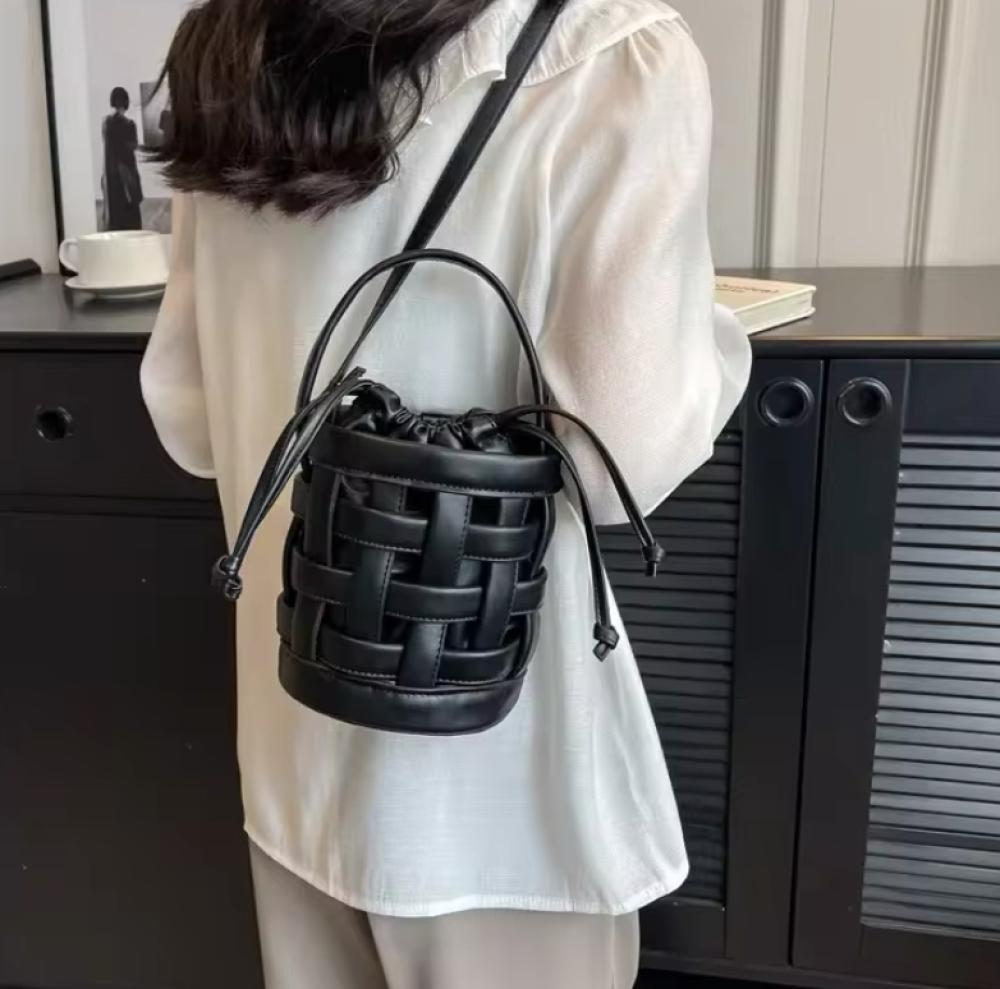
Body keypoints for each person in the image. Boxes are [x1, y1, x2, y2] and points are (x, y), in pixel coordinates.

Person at [140, 2, 752, 987]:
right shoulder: (612, 55)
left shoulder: (232, 41)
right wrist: (716, 342)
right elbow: (617, 465)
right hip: (502, 795)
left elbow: (189, 417)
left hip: (298, 740)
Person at [102, 86, 143, 230]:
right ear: (126, 102)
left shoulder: (107, 123)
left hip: (112, 173)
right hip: (127, 171)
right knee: (131, 210)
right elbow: (132, 146)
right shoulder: (130, 125)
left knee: (116, 211)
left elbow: (109, 147)